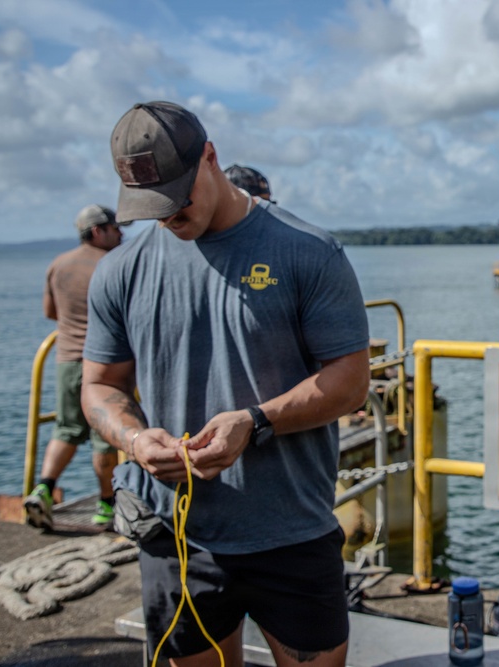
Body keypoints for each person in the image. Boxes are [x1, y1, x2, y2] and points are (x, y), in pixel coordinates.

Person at [82, 101, 370, 667]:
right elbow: (100, 388)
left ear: (209, 157)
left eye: (177, 196)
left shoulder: (308, 251)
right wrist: (135, 440)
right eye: (150, 205)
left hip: (291, 530)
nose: (166, 215)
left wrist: (256, 421)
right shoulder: (119, 271)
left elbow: (350, 382)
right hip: (176, 536)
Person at [24, 204, 126, 530]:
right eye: (114, 228)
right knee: (105, 435)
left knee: (66, 429)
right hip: (107, 362)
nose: (121, 233)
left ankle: (43, 488)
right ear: (98, 231)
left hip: (66, 358)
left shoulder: (58, 265)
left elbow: (50, 312)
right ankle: (107, 505)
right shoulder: (114, 264)